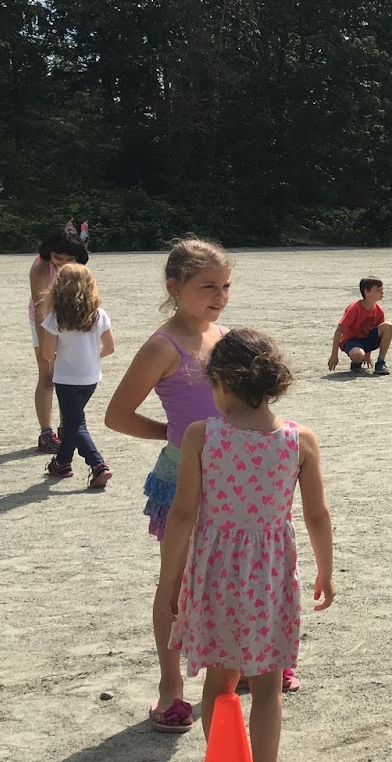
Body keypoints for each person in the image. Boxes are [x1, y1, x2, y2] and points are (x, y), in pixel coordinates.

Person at [105, 237, 295, 732]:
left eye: (226, 285)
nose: (220, 295)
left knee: (237, 572)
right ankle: (171, 687)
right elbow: (116, 415)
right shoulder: (161, 345)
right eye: (208, 286)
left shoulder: (225, 336)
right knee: (180, 582)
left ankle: (245, 663)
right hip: (186, 477)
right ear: (175, 287)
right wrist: (177, 438)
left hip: (239, 478)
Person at [160, 329, 335, 762]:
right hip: (269, 577)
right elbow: (317, 515)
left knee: (218, 684)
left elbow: (183, 515)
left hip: (215, 574)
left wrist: (170, 581)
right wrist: (326, 568)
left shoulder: (202, 435)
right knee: (265, 687)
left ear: (219, 383)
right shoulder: (299, 440)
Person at [38, 263, 114, 488]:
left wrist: (59, 359)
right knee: (71, 423)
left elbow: (46, 353)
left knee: (76, 423)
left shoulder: (56, 317)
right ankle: (62, 462)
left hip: (66, 378)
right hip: (91, 378)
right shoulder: (99, 315)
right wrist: (91, 356)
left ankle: (98, 464)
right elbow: (109, 347)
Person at [28, 229, 88, 451]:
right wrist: (46, 344)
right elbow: (40, 308)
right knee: (48, 374)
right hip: (44, 321)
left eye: (68, 259)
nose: (62, 263)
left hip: (70, 320)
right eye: (58, 258)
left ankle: (68, 426)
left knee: (69, 376)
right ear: (49, 253)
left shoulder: (79, 265)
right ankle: (46, 433)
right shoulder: (40, 267)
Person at [329, 277, 392, 375]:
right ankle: (356, 363)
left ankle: (381, 362)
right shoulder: (354, 308)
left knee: (388, 326)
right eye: (378, 290)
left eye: (382, 290)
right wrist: (334, 355)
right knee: (358, 355)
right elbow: (339, 330)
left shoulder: (379, 310)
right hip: (352, 341)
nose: (382, 293)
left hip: (366, 339)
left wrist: (368, 354)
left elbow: (374, 331)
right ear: (367, 292)